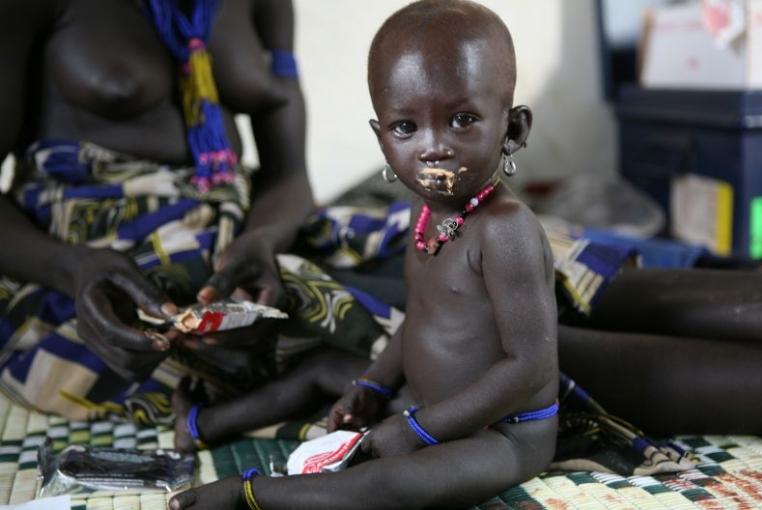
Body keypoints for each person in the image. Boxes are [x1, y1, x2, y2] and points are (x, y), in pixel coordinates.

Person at [170, 2, 560, 508]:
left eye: (462, 120)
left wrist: (417, 430)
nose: (432, 147)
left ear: (512, 130)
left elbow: (528, 366)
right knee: (324, 368)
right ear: (381, 139)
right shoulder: (425, 216)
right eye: (405, 128)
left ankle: (252, 494)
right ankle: (201, 424)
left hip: (503, 432)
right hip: (425, 403)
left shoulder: (505, 229)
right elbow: (420, 319)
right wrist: (372, 387)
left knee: (395, 483)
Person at [0, 0, 313, 421]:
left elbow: (289, 175)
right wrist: (73, 270)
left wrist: (261, 241)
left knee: (419, 270)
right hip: (85, 269)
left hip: (240, 233)